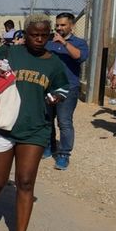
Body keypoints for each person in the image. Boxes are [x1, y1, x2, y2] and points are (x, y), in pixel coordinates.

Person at [0, 14, 69, 231]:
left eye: (44, 35)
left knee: (26, 182)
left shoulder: (53, 62)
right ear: (25, 33)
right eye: (34, 34)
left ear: (50, 36)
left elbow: (62, 86)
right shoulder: (10, 52)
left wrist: (55, 96)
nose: (39, 39)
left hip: (36, 128)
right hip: (3, 126)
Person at [44, 12, 89, 170]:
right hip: (49, 87)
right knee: (47, 119)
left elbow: (79, 57)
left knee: (64, 122)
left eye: (63, 25)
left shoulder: (79, 43)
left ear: (72, 26)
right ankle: (49, 146)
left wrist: (63, 42)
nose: (59, 28)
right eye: (57, 25)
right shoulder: (48, 42)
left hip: (68, 88)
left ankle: (63, 154)